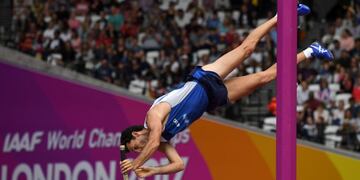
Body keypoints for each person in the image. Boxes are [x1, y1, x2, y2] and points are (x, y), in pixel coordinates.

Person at [120, 4, 333, 178]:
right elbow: (177, 165)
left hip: (204, 79)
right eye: (137, 150)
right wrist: (153, 170)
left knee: (246, 49)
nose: (139, 149)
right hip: (212, 99)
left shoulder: (153, 117)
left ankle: (281, 15)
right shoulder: (162, 140)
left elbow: (154, 141)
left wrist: (136, 163)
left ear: (137, 133)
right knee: (264, 78)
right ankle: (310, 51)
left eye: (136, 145)